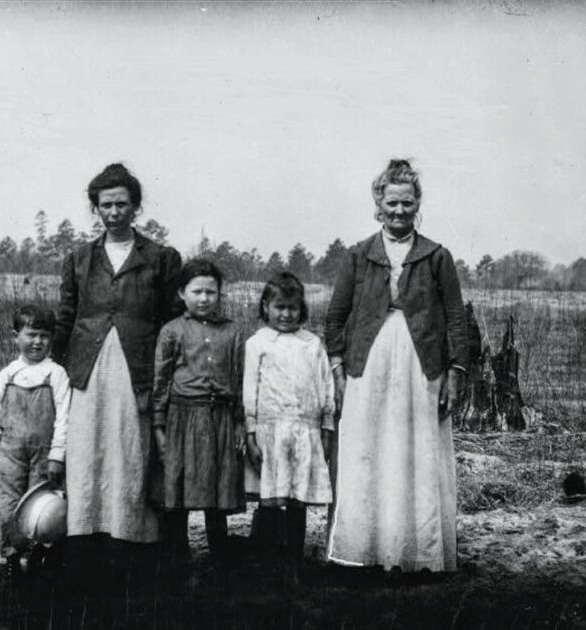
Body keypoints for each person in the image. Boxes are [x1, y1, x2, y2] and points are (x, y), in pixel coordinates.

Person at [325, 158, 468, 574]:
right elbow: (336, 317)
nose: (400, 212)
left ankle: (416, 556)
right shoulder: (357, 256)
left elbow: (456, 318)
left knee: (416, 450)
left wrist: (455, 374)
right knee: (367, 450)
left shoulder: (437, 256)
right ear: (378, 204)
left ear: (417, 203)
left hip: (421, 364)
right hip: (368, 363)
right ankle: (363, 552)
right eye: (392, 204)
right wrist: (337, 369)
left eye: (407, 203)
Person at [53, 163, 182, 583]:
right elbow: (66, 316)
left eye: (122, 204)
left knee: (130, 449)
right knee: (88, 449)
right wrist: (55, 368)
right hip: (87, 366)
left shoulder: (160, 258)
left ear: (136, 207)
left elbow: (172, 317)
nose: (113, 212)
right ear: (95, 208)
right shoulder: (80, 258)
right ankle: (84, 542)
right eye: (105, 205)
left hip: (137, 365)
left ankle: (131, 545)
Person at [152, 258, 245, 577]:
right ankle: (177, 561)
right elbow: (161, 380)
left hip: (219, 417)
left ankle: (219, 562)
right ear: (181, 293)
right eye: (197, 291)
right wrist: (159, 426)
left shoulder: (232, 331)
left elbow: (239, 378)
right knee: (177, 490)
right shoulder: (172, 330)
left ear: (220, 294)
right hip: (182, 418)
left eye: (211, 292)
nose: (204, 298)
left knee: (216, 493)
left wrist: (238, 422)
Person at [244, 272, 334, 586]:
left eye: (292, 308)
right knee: (270, 499)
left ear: (302, 309)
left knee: (298, 499)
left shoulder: (312, 344)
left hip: (304, 431)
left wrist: (325, 425)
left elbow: (325, 387)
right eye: (279, 307)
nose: (286, 314)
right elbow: (249, 390)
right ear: (266, 307)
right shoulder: (257, 344)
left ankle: (294, 565)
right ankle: (268, 562)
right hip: (271, 432)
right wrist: (251, 432)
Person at [0, 304, 70, 581]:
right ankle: (11, 556)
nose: (37, 342)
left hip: (44, 454)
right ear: (15, 336)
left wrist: (57, 456)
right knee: (9, 505)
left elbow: (64, 417)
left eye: (44, 336)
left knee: (42, 507)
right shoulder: (5, 376)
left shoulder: (56, 375)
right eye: (31, 334)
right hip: (10, 452)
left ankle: (38, 556)